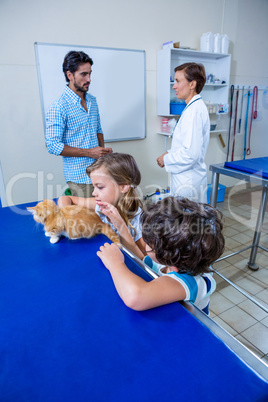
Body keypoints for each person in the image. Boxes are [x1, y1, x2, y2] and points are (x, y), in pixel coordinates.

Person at [97, 196, 225, 314]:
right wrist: (120, 225)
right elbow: (141, 259)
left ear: (166, 254)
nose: (144, 243)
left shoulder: (191, 282)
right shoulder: (172, 262)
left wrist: (115, 263)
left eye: (147, 243)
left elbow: (135, 297)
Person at [45, 50, 113, 198]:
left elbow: (98, 130)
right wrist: (89, 152)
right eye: (83, 74)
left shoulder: (92, 101)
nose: (89, 79)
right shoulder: (59, 107)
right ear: (70, 75)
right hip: (79, 177)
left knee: (102, 215)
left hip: (99, 171)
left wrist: (102, 154)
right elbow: (52, 145)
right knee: (87, 219)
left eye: (90, 73)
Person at [58, 153, 146, 259]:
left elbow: (143, 260)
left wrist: (120, 224)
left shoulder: (138, 219)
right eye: (94, 187)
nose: (94, 193)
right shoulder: (99, 204)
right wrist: (68, 213)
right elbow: (65, 199)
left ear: (123, 187)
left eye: (99, 187)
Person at [157, 63, 210, 203]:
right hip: (188, 180)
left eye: (178, 81)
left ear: (192, 84)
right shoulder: (193, 108)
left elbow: (191, 154)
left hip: (188, 183)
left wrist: (166, 159)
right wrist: (169, 153)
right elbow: (187, 145)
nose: (174, 86)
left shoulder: (193, 112)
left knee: (186, 223)